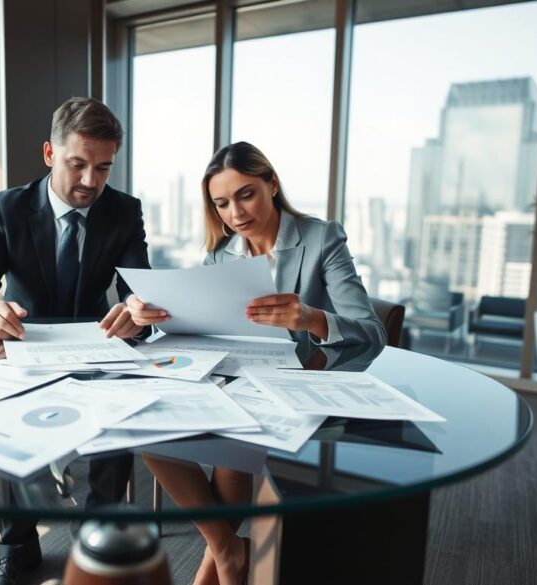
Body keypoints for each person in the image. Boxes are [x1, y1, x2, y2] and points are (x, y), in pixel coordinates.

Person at [126, 141, 385, 585]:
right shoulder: (221, 253)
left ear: (272, 183)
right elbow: (204, 328)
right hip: (234, 380)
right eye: (221, 203)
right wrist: (154, 314)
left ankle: (226, 556)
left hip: (301, 384)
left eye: (245, 194)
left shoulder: (322, 239)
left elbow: (372, 333)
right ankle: (228, 549)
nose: (235, 213)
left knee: (233, 446)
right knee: (142, 428)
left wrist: (312, 318)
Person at [0, 97, 149, 585]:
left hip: (96, 348)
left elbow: (138, 287)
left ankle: (96, 540)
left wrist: (137, 310)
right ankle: (17, 547)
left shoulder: (124, 211)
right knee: (0, 415)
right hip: (23, 345)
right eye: (77, 164)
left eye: (102, 168)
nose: (89, 181)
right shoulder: (7, 207)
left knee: (118, 414)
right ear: (49, 153)